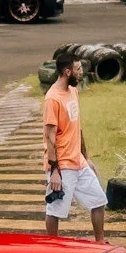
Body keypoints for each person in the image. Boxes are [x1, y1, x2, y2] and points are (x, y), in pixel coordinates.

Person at [43, 48, 108, 240]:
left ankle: (100, 242)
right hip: (62, 165)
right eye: (78, 69)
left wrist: (86, 158)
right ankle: (53, 245)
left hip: (78, 162)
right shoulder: (52, 99)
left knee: (98, 201)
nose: (81, 73)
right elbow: (50, 137)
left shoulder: (73, 91)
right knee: (55, 210)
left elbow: (77, 127)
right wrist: (54, 171)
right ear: (67, 72)